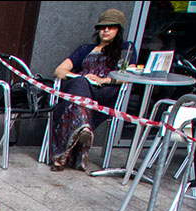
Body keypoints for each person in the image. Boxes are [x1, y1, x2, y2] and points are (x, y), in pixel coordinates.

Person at [48, 8, 136, 172]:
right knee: (79, 84)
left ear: (119, 29)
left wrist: (104, 80)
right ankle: (83, 129)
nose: (106, 30)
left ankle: (62, 156)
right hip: (79, 90)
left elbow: (129, 75)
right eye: (103, 27)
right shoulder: (85, 49)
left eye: (111, 27)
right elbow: (59, 71)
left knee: (75, 99)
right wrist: (79, 77)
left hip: (104, 93)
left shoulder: (126, 49)